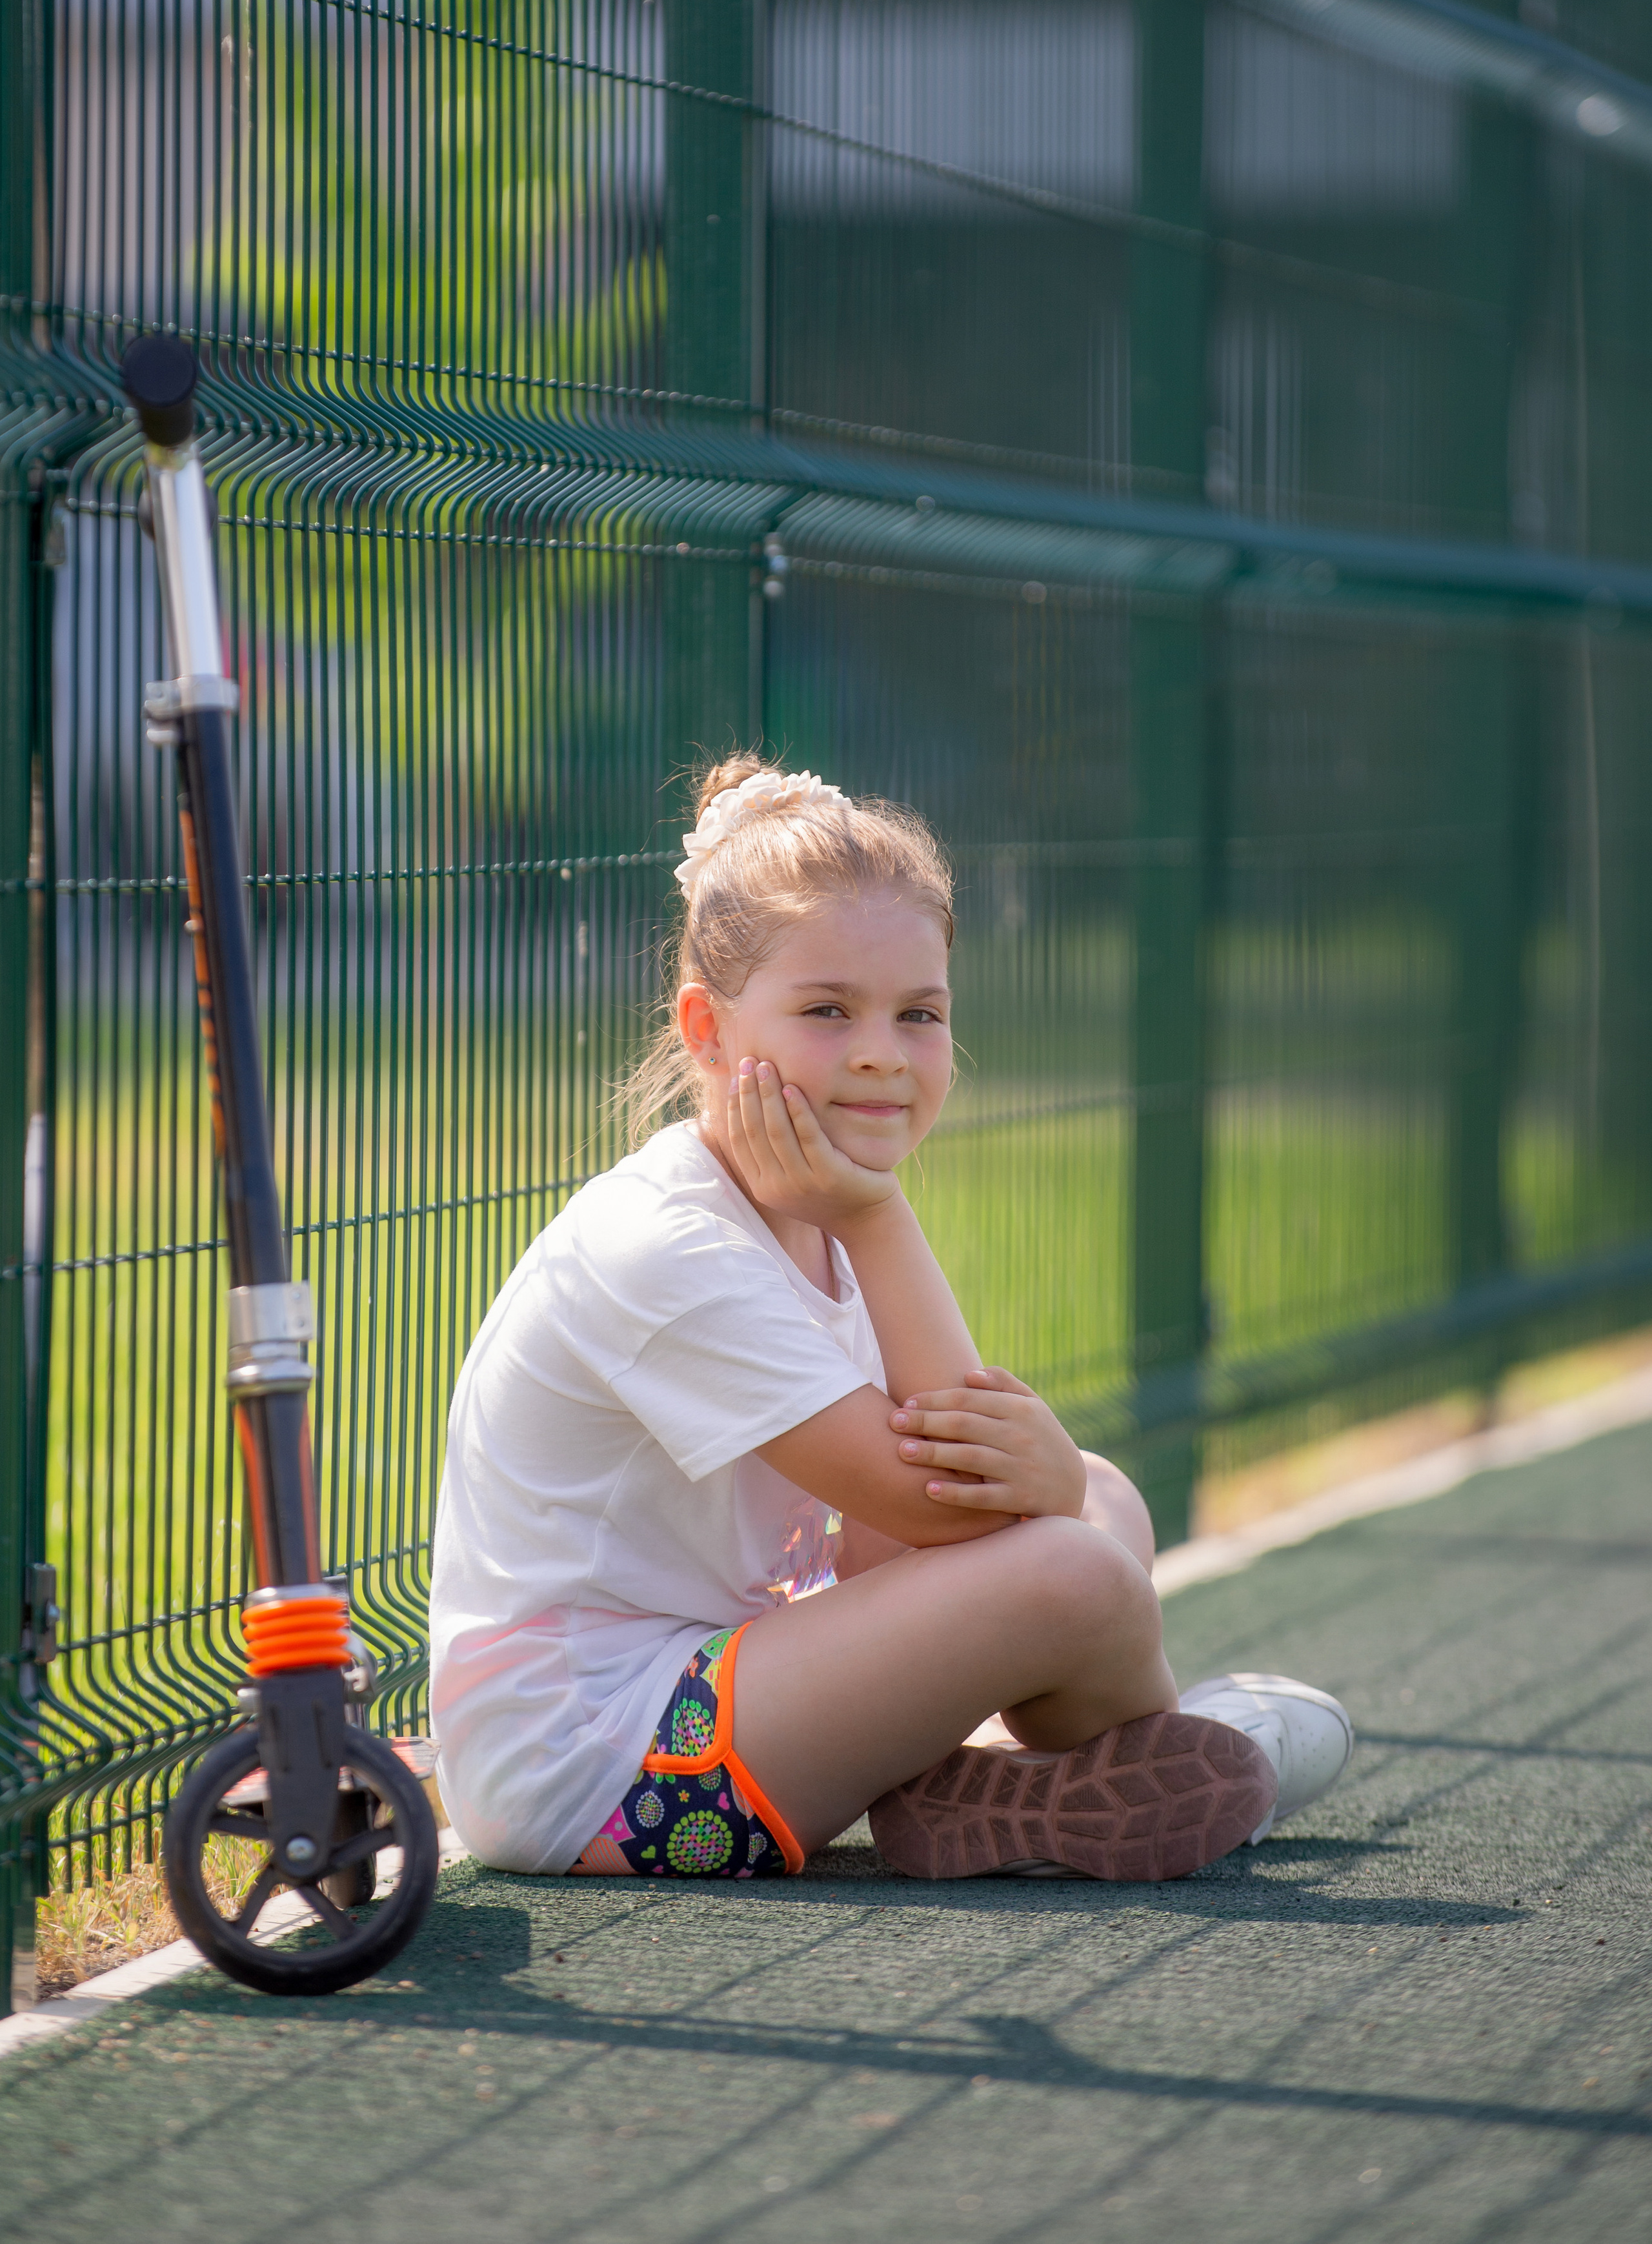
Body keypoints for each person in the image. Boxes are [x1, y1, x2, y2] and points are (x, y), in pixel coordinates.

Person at [429, 760, 1352, 1883]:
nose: (880, 1051)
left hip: (737, 1675)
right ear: (707, 1030)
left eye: (919, 1014)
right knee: (1080, 1567)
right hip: (600, 1767)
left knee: (1100, 1497)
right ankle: (1215, 1758)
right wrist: (883, 1226)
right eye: (827, 1010)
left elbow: (947, 1474)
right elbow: (951, 1507)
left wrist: (1057, 1481)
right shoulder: (666, 1243)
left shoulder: (814, 1210)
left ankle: (997, 1791)